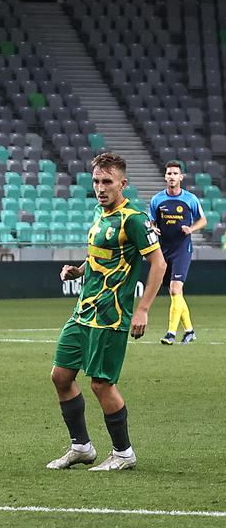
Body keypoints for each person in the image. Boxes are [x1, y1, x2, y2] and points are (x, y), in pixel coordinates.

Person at [47, 152, 165, 472]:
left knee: (101, 384)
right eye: (96, 181)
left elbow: (159, 264)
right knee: (61, 376)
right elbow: (102, 257)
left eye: (107, 182)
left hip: (110, 316)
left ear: (122, 184)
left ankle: (123, 453)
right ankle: (81, 447)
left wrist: (142, 310)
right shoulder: (99, 213)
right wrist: (79, 270)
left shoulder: (135, 219)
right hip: (83, 311)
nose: (100, 188)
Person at [149, 161, 207, 345]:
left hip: (182, 249)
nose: (172, 176)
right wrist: (153, 228)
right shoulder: (157, 199)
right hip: (163, 250)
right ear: (165, 177)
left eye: (175, 173)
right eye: (169, 173)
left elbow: (203, 220)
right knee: (176, 293)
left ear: (181, 177)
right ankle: (189, 331)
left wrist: (191, 229)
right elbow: (151, 221)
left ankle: (171, 334)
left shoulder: (190, 199)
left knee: (175, 289)